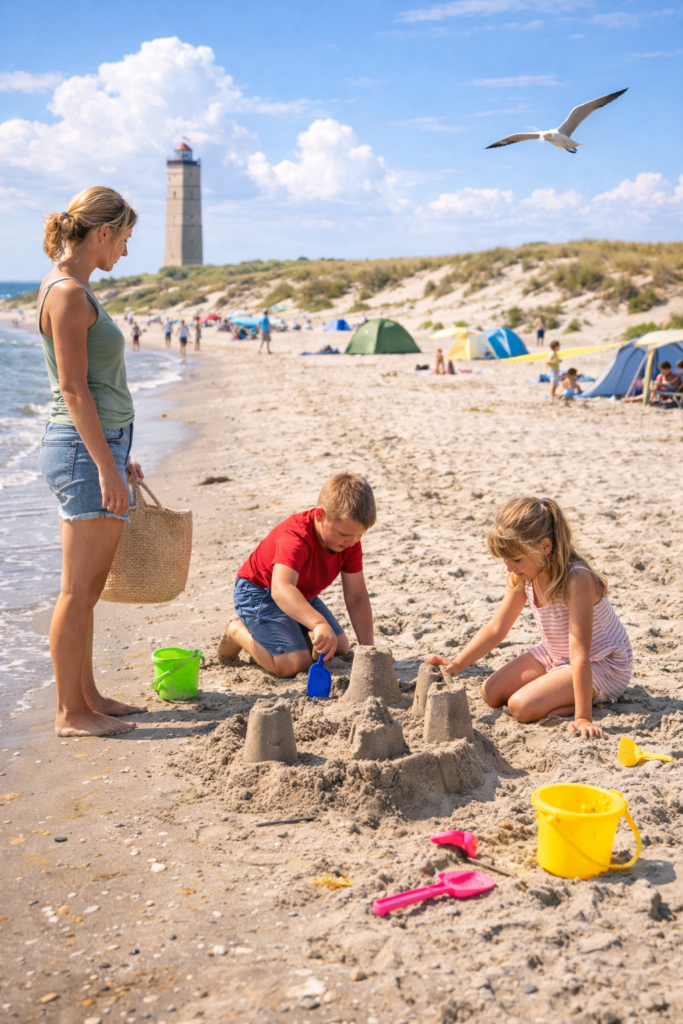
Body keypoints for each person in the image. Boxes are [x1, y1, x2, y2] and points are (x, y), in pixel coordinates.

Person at [37, 186, 146, 737]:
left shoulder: (72, 287)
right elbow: (75, 389)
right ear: (103, 232)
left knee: (86, 590)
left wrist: (118, 456)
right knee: (78, 592)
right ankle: (70, 712)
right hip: (83, 450)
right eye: (123, 239)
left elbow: (93, 387)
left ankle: (87, 696)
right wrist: (105, 464)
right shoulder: (68, 294)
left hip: (95, 446)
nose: (124, 251)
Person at [429, 497, 632, 738]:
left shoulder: (577, 580)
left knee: (520, 707)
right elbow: (497, 628)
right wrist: (457, 664)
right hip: (554, 653)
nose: (509, 567)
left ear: (545, 547)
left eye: (516, 559)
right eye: (505, 559)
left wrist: (583, 718)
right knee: (491, 692)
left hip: (601, 663)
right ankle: (555, 687)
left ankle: (582, 700)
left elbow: (579, 654)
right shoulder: (523, 575)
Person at [216, 473, 376, 678]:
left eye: (360, 534)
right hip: (259, 593)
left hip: (299, 594)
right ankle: (236, 630)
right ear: (320, 515)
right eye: (344, 534)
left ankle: (291, 640)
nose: (352, 542)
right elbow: (281, 589)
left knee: (339, 647)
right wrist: (318, 624)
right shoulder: (296, 537)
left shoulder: (349, 542)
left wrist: (369, 650)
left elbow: (357, 596)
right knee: (294, 664)